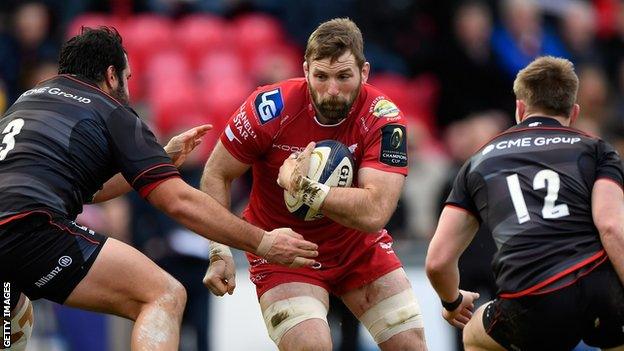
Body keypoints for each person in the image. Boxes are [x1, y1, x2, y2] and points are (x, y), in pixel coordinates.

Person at [0, 27, 319, 351]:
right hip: (30, 231)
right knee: (163, 295)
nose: (128, 85)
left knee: (12, 321)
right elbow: (179, 202)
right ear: (112, 75)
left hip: (11, 236)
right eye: (128, 76)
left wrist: (162, 158)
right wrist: (264, 241)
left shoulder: (27, 101)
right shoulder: (111, 110)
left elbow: (86, 191)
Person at [202, 18, 426, 350]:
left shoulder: (384, 118)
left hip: (357, 248)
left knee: (411, 346)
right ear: (305, 69)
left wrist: (303, 186)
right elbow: (216, 174)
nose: (332, 90)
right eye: (321, 76)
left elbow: (375, 212)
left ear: (364, 73)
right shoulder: (269, 109)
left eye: (344, 77)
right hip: (283, 251)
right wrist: (218, 251)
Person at [426, 56, 624, 350]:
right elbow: (612, 227)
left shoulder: (480, 161)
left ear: (519, 108)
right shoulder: (596, 150)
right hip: (598, 287)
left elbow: (437, 261)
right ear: (574, 112)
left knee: (473, 335)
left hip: (533, 297)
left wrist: (452, 301)